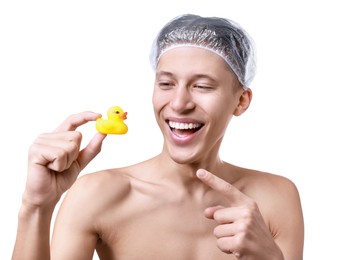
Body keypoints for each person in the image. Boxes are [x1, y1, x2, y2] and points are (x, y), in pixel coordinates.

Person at [12, 14, 304, 260]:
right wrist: (36, 206)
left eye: (202, 86)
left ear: (241, 101)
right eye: (166, 83)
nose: (178, 103)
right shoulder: (99, 194)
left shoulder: (274, 199)